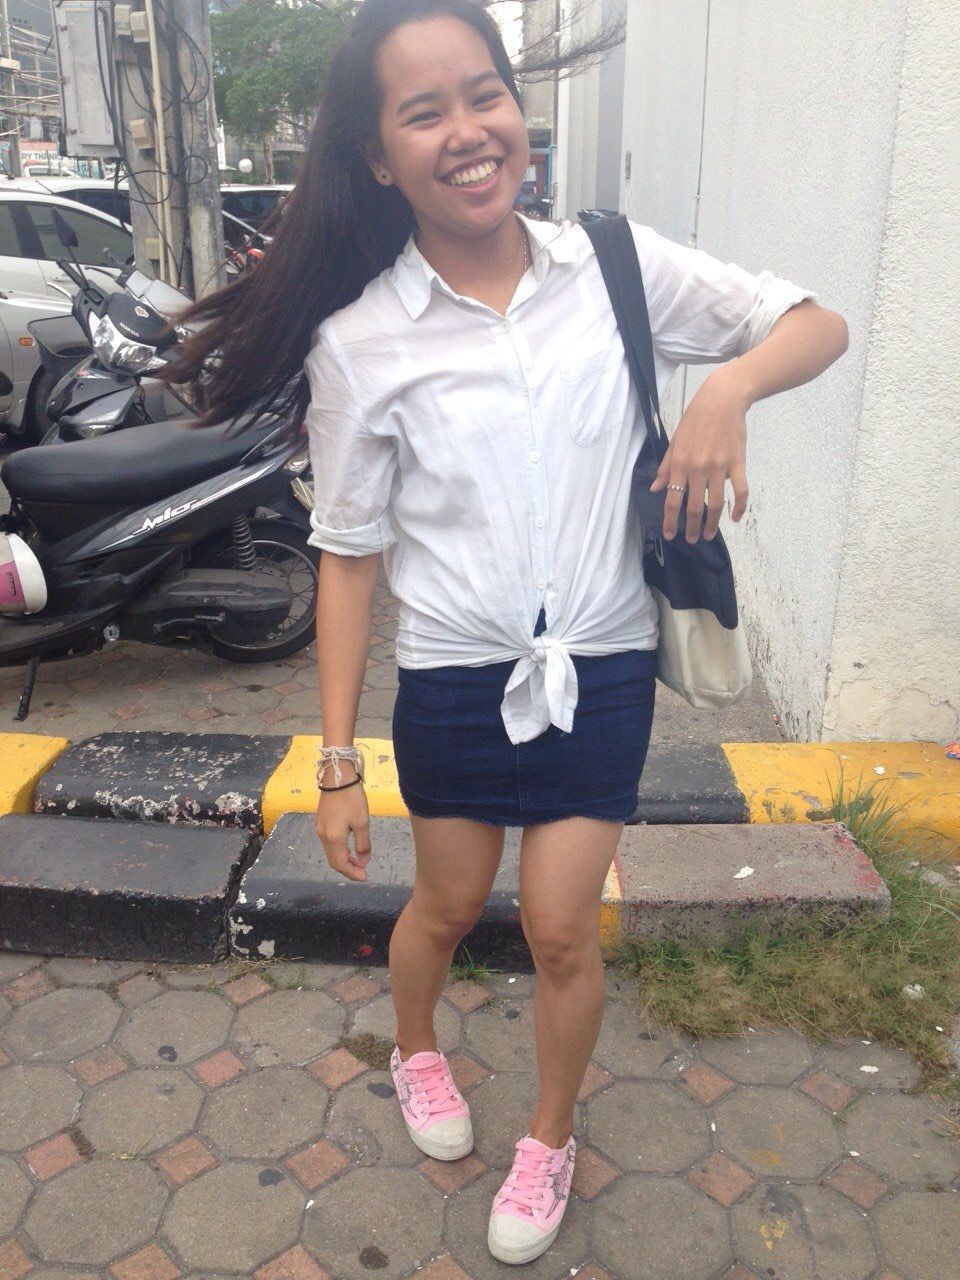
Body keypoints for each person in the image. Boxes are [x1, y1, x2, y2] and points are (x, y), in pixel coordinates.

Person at [159, 0, 849, 1264]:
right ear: (379, 156)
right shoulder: (360, 343)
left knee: (560, 926)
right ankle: (417, 1050)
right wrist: (332, 761)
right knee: (444, 899)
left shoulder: (616, 267)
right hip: (455, 680)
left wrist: (728, 392)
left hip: (604, 667)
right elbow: (351, 558)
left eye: (483, 94)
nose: (468, 131)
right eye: (423, 111)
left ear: (515, 111)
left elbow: (814, 321)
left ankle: (548, 1129)